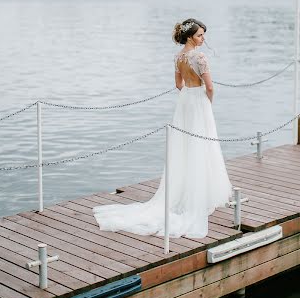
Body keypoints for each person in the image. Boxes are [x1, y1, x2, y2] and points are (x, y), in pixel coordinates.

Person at [93, 18, 233, 239]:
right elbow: (210, 87)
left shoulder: (178, 57)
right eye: (200, 35)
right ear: (190, 37)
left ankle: (186, 193)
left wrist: (189, 95)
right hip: (198, 102)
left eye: (203, 35)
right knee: (202, 145)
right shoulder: (200, 57)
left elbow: (178, 85)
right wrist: (207, 102)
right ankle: (200, 195)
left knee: (185, 147)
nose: (203, 39)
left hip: (185, 102)